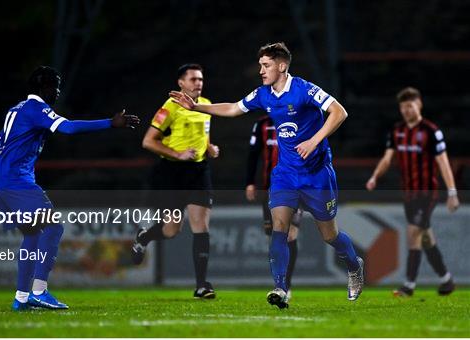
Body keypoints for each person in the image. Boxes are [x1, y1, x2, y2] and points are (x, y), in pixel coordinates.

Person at [170, 42, 364, 309]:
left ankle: (354, 266)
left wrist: (314, 141)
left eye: (266, 65)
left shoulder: (303, 89)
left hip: (317, 175)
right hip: (285, 174)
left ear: (282, 66)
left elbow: (339, 112)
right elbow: (234, 108)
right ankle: (281, 288)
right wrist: (197, 108)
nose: (261, 70)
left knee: (329, 235)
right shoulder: (264, 94)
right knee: (279, 228)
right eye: (261, 65)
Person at [0, 65, 140, 311]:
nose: (57, 93)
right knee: (53, 227)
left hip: (2, 181)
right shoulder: (36, 108)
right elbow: (69, 127)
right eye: (56, 87)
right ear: (45, 88)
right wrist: (111, 122)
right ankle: (40, 292)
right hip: (15, 180)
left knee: (32, 235)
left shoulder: (16, 109)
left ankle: (21, 299)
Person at [131, 64, 219, 299]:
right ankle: (145, 237)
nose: (198, 83)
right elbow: (148, 141)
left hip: (199, 172)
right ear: (181, 83)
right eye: (192, 79)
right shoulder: (170, 107)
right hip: (172, 173)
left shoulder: (207, 105)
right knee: (171, 230)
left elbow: (204, 133)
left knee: (200, 225)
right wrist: (177, 153)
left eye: (200, 79)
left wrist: (209, 147)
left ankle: (202, 285)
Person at [366, 87, 459, 297]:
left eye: (410, 105)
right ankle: (447, 280)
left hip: (427, 193)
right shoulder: (397, 131)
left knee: (413, 233)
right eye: (403, 107)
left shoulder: (430, 131)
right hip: (408, 194)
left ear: (419, 105)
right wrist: (375, 177)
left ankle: (408, 286)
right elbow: (387, 158)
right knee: (426, 238)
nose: (406, 110)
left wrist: (452, 192)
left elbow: (443, 163)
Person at [245, 115, 302, 295]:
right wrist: (249, 182)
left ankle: (286, 286)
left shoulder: (300, 121)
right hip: (269, 189)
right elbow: (253, 154)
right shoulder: (262, 124)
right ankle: (280, 283)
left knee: (291, 234)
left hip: (295, 187)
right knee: (275, 236)